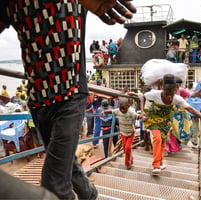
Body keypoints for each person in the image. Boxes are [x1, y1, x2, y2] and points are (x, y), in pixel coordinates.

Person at [0, 0, 136, 199]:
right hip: (38, 98)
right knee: (64, 163)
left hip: (71, 95)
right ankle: (89, 194)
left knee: (53, 182)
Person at [141, 74, 201, 176]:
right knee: (157, 138)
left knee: (163, 141)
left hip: (166, 122)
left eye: (171, 94)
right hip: (153, 120)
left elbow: (191, 109)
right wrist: (142, 112)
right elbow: (141, 97)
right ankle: (156, 165)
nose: (169, 97)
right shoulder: (154, 94)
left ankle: (160, 162)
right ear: (162, 89)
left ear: (175, 91)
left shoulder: (177, 98)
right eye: (166, 94)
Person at [103, 98, 144, 169]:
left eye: (124, 109)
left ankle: (127, 163)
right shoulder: (119, 111)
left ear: (128, 106)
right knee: (125, 149)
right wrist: (105, 112)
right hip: (122, 132)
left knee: (128, 147)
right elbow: (113, 111)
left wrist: (142, 117)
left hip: (130, 133)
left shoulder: (131, 112)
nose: (122, 110)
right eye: (121, 108)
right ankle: (131, 159)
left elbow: (137, 116)